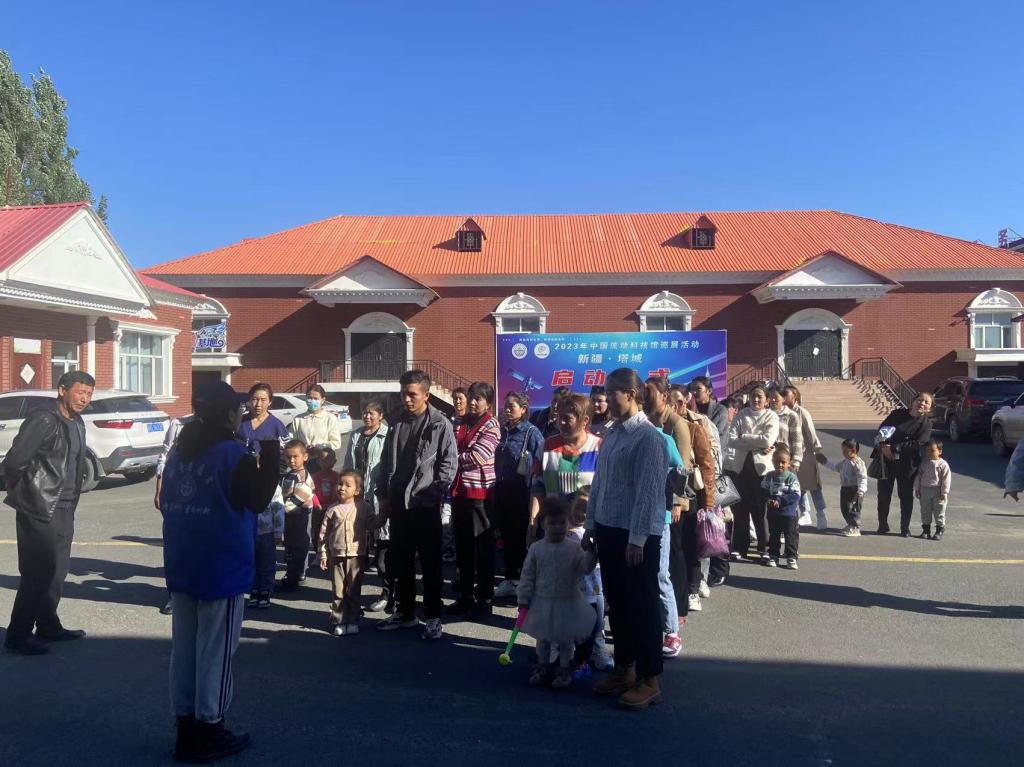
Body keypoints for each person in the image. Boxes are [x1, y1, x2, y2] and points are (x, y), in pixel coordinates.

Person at [160, 381, 279, 762]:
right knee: (216, 652)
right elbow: (257, 499)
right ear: (228, 414)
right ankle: (210, 727)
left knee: (185, 649)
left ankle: (185, 725)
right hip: (220, 565)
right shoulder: (231, 454)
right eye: (237, 410)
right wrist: (272, 455)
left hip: (183, 561)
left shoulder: (181, 451)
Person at [585, 368, 669, 711]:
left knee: (643, 606)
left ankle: (650, 679)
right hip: (608, 527)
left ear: (630, 395)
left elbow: (649, 493)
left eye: (611, 393)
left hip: (636, 536)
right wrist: (591, 525)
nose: (605, 399)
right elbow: (600, 482)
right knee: (618, 605)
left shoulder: (648, 438)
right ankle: (624, 668)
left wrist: (637, 539)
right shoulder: (613, 433)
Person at [3, 371, 94, 656]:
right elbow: (15, 461)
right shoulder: (44, 419)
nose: (84, 398)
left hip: (65, 506)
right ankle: (18, 635)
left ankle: (47, 625)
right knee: (37, 571)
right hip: (39, 507)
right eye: (80, 392)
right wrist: (27, 495)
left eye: (89, 394)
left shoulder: (77, 423)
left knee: (57, 571)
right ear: (62, 390)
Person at [375, 370, 457, 640]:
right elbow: (385, 462)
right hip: (399, 503)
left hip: (425, 505)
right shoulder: (395, 421)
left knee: (431, 564)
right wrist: (384, 495)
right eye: (403, 394)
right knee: (402, 561)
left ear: (426, 395)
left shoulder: (440, 424)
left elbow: (448, 464)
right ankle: (405, 612)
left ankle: (433, 616)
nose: (407, 399)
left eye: (412, 394)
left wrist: (433, 495)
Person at [517, 497, 599, 689]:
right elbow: (527, 576)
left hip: (568, 601)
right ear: (543, 524)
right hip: (543, 601)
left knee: (565, 639)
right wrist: (523, 598)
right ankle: (542, 667)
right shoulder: (536, 549)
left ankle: (564, 670)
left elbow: (585, 568)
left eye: (562, 522)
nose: (558, 527)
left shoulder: (573, 548)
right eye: (553, 523)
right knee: (543, 638)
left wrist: (592, 554)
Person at [448, 381, 502, 618]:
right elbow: (447, 446)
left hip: (480, 495)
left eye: (478, 398)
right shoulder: (458, 421)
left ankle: (485, 599)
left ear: (488, 403)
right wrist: (453, 457)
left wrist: (451, 459)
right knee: (463, 548)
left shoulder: (492, 424)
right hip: (459, 492)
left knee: (483, 549)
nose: (472, 402)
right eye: (471, 397)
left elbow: (478, 456)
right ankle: (465, 596)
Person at [493, 391, 544, 599]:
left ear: (523, 409)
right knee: (506, 536)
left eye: (511, 406)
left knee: (521, 537)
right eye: (505, 406)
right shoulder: (503, 431)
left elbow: (541, 462)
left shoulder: (532, 433)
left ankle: (525, 581)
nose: (506, 410)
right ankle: (510, 579)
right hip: (502, 490)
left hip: (522, 491)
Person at [531, 394, 602, 539]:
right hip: (553, 532)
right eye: (559, 417)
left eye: (567, 418)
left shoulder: (600, 448)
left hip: (587, 534)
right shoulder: (546, 446)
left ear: (585, 420)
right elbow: (537, 488)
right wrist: (532, 523)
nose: (561, 422)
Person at [723, 386, 780, 563]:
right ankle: (740, 547)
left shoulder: (771, 416)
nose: (756, 400)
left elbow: (768, 440)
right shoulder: (741, 415)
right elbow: (732, 439)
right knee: (740, 510)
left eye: (760, 397)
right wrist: (757, 442)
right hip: (741, 469)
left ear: (767, 400)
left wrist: (745, 437)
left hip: (762, 471)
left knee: (761, 511)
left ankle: (765, 548)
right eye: (753, 396)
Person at [344, 401, 391, 612]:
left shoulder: (387, 435)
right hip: (358, 496)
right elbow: (348, 464)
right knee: (357, 549)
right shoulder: (356, 435)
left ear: (380, 415)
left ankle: (388, 593)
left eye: (371, 413)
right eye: (364, 413)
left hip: (379, 496)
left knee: (383, 550)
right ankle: (352, 596)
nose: (367, 417)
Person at [319, 471, 376, 635]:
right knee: (338, 590)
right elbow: (323, 534)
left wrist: (384, 515)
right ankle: (339, 620)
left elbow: (372, 524)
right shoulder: (332, 509)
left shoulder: (363, 507)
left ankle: (352, 620)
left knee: (354, 589)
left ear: (357, 490)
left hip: (356, 556)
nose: (342, 488)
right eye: (339, 484)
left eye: (347, 485)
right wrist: (323, 554)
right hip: (336, 556)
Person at [873, 393, 934, 537]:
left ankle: (904, 528)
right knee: (883, 494)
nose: (922, 403)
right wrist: (884, 446)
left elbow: (919, 443)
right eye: (919, 400)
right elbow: (882, 429)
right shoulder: (897, 414)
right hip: (886, 460)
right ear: (913, 401)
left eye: (926, 402)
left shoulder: (926, 424)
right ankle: (882, 525)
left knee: (905, 495)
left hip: (908, 464)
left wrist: (894, 448)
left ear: (930, 407)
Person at [566, 491, 613, 672]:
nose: (581, 514)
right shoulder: (563, 531)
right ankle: (568, 653)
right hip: (572, 587)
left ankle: (598, 649)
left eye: (586, 511)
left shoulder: (594, 532)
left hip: (594, 586)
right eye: (578, 508)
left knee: (597, 622)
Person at [155, 413, 195, 616]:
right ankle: (175, 595)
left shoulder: (219, 425)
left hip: (201, 496)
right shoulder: (178, 424)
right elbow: (164, 456)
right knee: (174, 549)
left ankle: (196, 592)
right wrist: (159, 490)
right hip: (176, 494)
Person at [783, 385, 828, 530]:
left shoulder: (801, 412)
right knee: (797, 485)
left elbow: (810, 431)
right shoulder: (783, 413)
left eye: (786, 394)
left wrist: (816, 449)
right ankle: (805, 512)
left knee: (814, 485)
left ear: (794, 396)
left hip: (806, 454)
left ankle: (821, 514)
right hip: (790, 453)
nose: (784, 397)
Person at [278, 440, 319, 591]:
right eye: (288, 457)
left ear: (305, 457)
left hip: (299, 517)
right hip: (290, 517)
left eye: (295, 456)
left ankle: (294, 578)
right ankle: (293, 573)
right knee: (290, 546)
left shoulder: (302, 477)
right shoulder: (291, 473)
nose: (292, 460)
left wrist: (280, 510)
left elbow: (299, 498)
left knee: (297, 547)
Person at [761, 445, 802, 569]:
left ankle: (791, 557)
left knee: (790, 535)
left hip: (789, 513)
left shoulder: (791, 477)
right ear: (772, 462)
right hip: (773, 513)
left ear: (788, 463)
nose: (780, 465)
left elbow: (796, 494)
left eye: (783, 462)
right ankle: (773, 555)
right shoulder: (769, 476)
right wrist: (768, 500)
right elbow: (763, 491)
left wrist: (780, 501)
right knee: (774, 535)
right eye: (777, 462)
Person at [816, 438, 868, 537]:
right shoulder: (845, 462)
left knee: (853, 509)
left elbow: (862, 477)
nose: (843, 453)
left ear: (853, 450)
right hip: (845, 488)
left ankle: (855, 527)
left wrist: (861, 491)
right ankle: (850, 524)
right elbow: (836, 467)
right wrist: (824, 462)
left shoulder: (858, 463)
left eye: (845, 451)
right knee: (845, 508)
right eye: (842, 450)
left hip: (854, 490)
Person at [288, 385, 343, 469]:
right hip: (302, 462)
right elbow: (292, 441)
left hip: (322, 462)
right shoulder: (298, 419)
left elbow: (336, 443)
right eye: (309, 398)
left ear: (323, 400)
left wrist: (319, 448)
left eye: (316, 398)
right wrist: (303, 449)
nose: (312, 401)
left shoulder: (330, 418)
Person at [248, 484, 285, 609]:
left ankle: (265, 590)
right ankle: (254, 590)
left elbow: (278, 509)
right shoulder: (245, 482)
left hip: (267, 531)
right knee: (251, 562)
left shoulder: (273, 485)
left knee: (267, 563)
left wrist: (278, 531)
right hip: (249, 530)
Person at [915, 439, 951, 540]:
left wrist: (944, 492)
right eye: (927, 451)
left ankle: (939, 530)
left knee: (939, 510)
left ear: (940, 451)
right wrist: (917, 488)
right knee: (925, 510)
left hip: (938, 491)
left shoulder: (943, 464)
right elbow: (919, 476)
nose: (929, 453)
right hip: (925, 490)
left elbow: (946, 479)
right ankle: (926, 530)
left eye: (932, 451)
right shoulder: (924, 463)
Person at [310, 447, 340, 569]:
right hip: (318, 509)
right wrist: (317, 504)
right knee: (317, 530)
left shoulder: (337, 476)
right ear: (318, 461)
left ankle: (329, 553)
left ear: (334, 461)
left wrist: (330, 504)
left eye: (328, 459)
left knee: (330, 531)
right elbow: (312, 492)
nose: (325, 462)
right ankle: (318, 554)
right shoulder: (315, 476)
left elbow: (336, 491)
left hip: (331, 509)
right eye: (322, 460)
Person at [238, 383, 289, 450]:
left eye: (263, 400)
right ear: (249, 400)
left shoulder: (277, 425)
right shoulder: (239, 421)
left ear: (270, 402)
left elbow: (287, 450)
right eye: (255, 399)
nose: (258, 404)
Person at [690, 376, 729, 445]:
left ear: (709, 391)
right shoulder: (689, 409)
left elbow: (714, 434)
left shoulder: (720, 410)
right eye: (692, 389)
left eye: (698, 389)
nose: (694, 392)